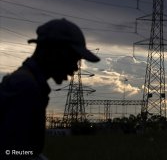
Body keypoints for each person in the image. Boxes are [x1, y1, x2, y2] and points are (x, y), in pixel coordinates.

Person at [0, 19, 100, 158]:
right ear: (55, 52)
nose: (75, 68)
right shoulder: (24, 87)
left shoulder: (26, 83)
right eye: (73, 58)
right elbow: (12, 153)